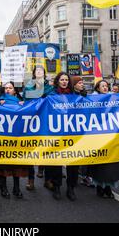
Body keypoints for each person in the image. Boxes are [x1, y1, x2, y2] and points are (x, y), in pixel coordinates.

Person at [88, 80, 119, 199]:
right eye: (102, 86)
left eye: (106, 86)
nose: (105, 87)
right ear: (97, 88)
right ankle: (99, 186)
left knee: (110, 164)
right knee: (99, 163)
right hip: (97, 135)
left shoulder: (113, 98)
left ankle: (108, 187)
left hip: (111, 135)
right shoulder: (92, 100)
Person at [23, 65, 53, 191]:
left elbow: (52, 98)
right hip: (32, 120)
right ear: (34, 74)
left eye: (41, 71)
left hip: (45, 119)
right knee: (31, 149)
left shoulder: (49, 87)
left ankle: (47, 178)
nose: (39, 72)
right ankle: (31, 180)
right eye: (37, 71)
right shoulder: (29, 85)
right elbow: (28, 97)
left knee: (46, 149)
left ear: (44, 73)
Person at [44, 72, 73, 200]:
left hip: (71, 132)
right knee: (56, 161)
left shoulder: (74, 95)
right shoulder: (52, 95)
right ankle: (56, 187)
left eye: (66, 80)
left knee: (73, 161)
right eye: (62, 79)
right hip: (55, 132)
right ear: (58, 81)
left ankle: (71, 188)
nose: (64, 81)